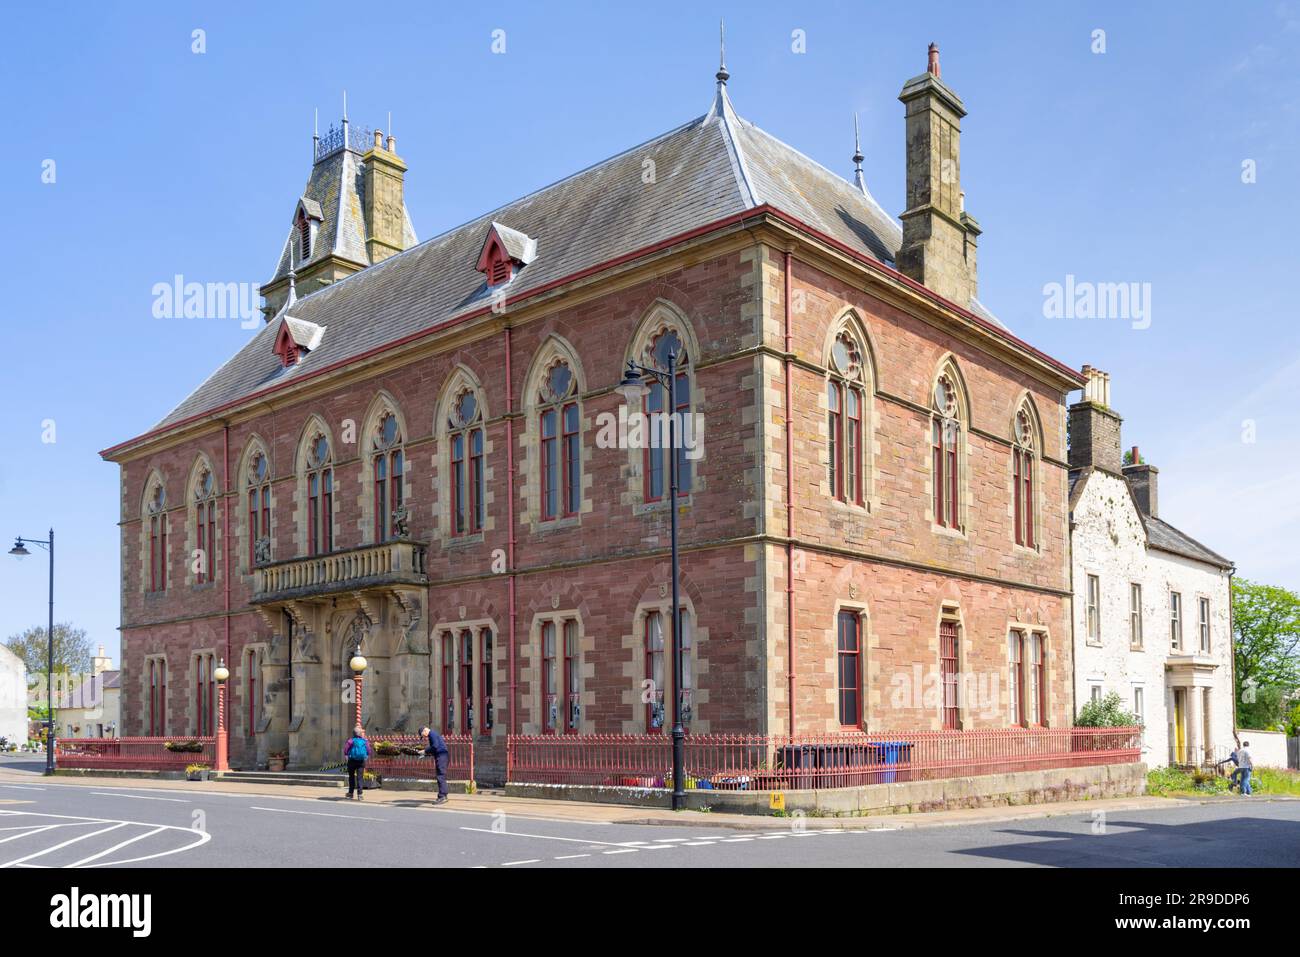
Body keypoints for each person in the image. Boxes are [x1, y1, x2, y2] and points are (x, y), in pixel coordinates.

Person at [419, 725, 450, 805]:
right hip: (442, 755)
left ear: (424, 731)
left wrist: (425, 751)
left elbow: (435, 746)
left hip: (442, 756)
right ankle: (444, 795)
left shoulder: (432, 734)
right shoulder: (432, 734)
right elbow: (435, 748)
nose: (424, 737)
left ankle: (442, 797)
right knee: (441, 776)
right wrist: (426, 753)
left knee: (440, 776)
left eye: (423, 735)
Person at [344, 725, 370, 800]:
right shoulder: (365, 741)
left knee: (351, 777)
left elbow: (345, 749)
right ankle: (360, 795)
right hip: (361, 761)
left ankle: (350, 793)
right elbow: (369, 750)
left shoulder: (350, 740)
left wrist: (346, 756)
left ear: (353, 733)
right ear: (360, 734)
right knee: (360, 778)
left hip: (352, 760)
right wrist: (366, 756)